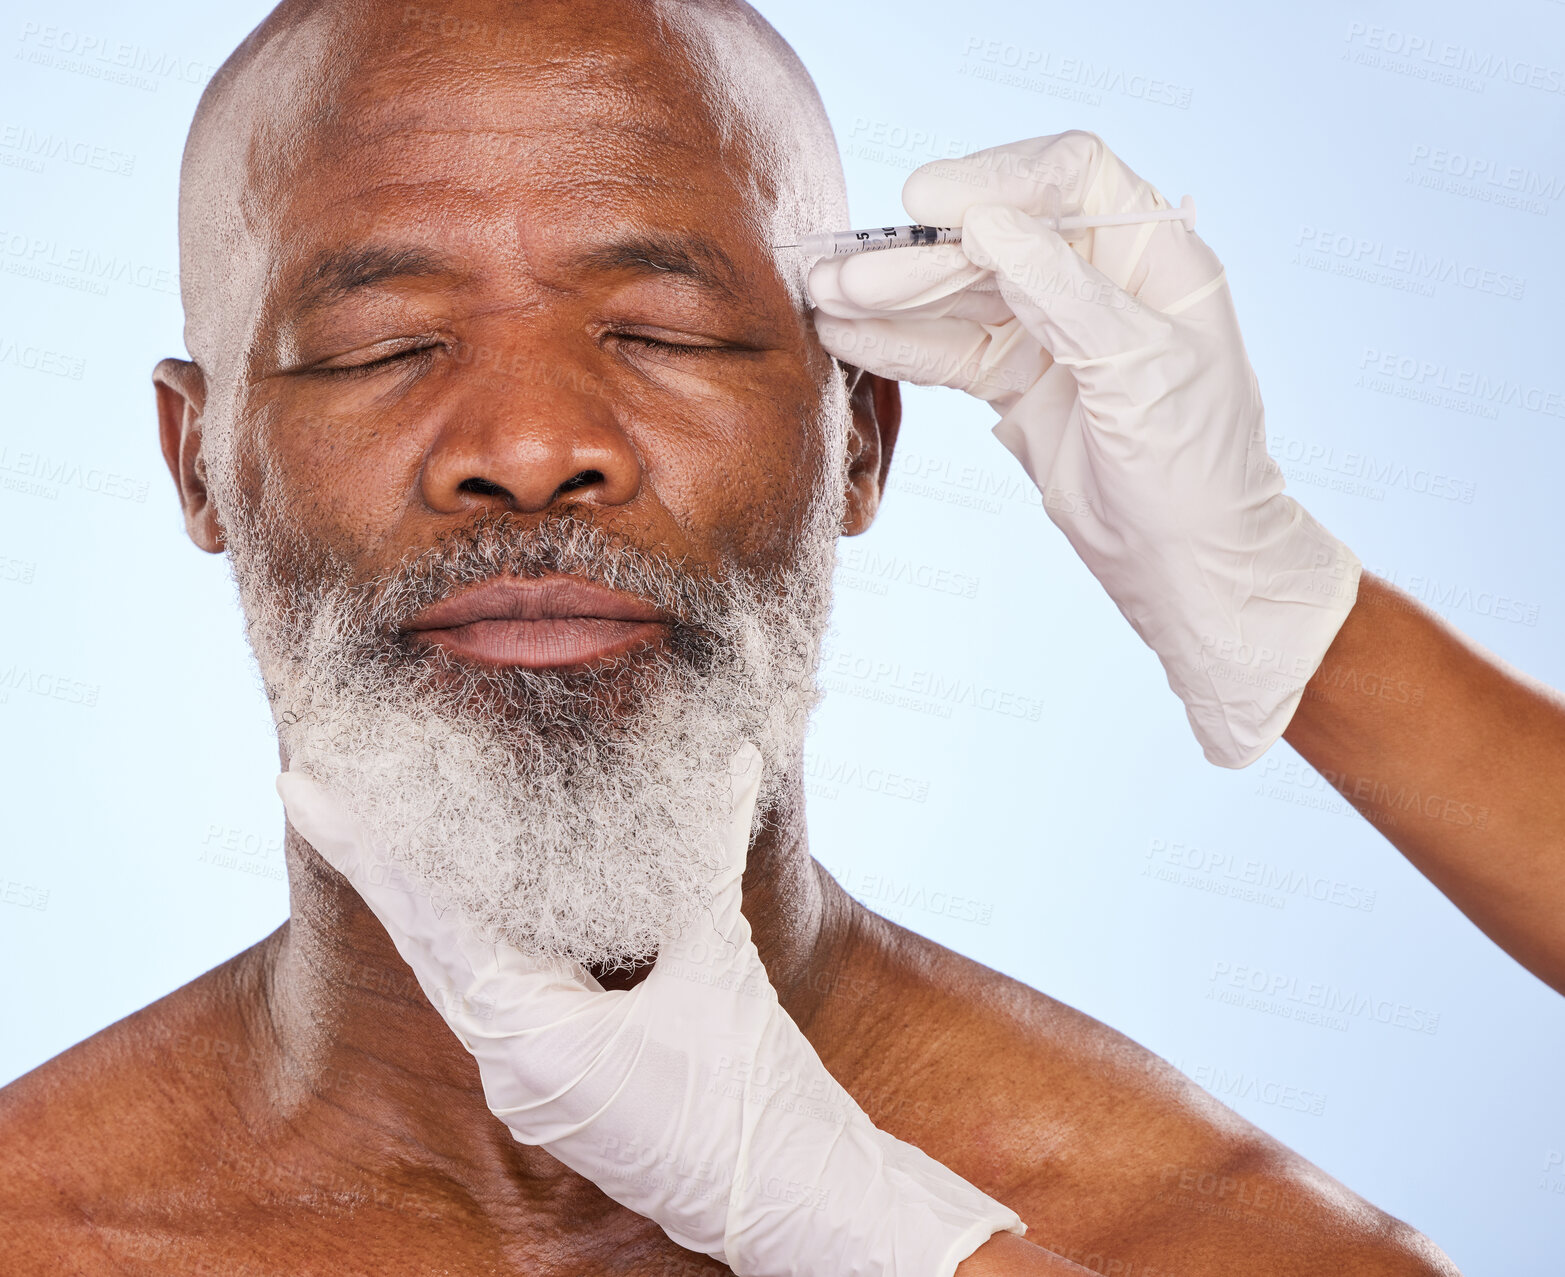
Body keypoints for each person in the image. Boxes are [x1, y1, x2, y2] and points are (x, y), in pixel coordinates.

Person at [0, 1, 1463, 1274]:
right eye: (381, 346)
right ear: (199, 464)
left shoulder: (1234, 1252)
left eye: (663, 331)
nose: (527, 445)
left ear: (858, 447)